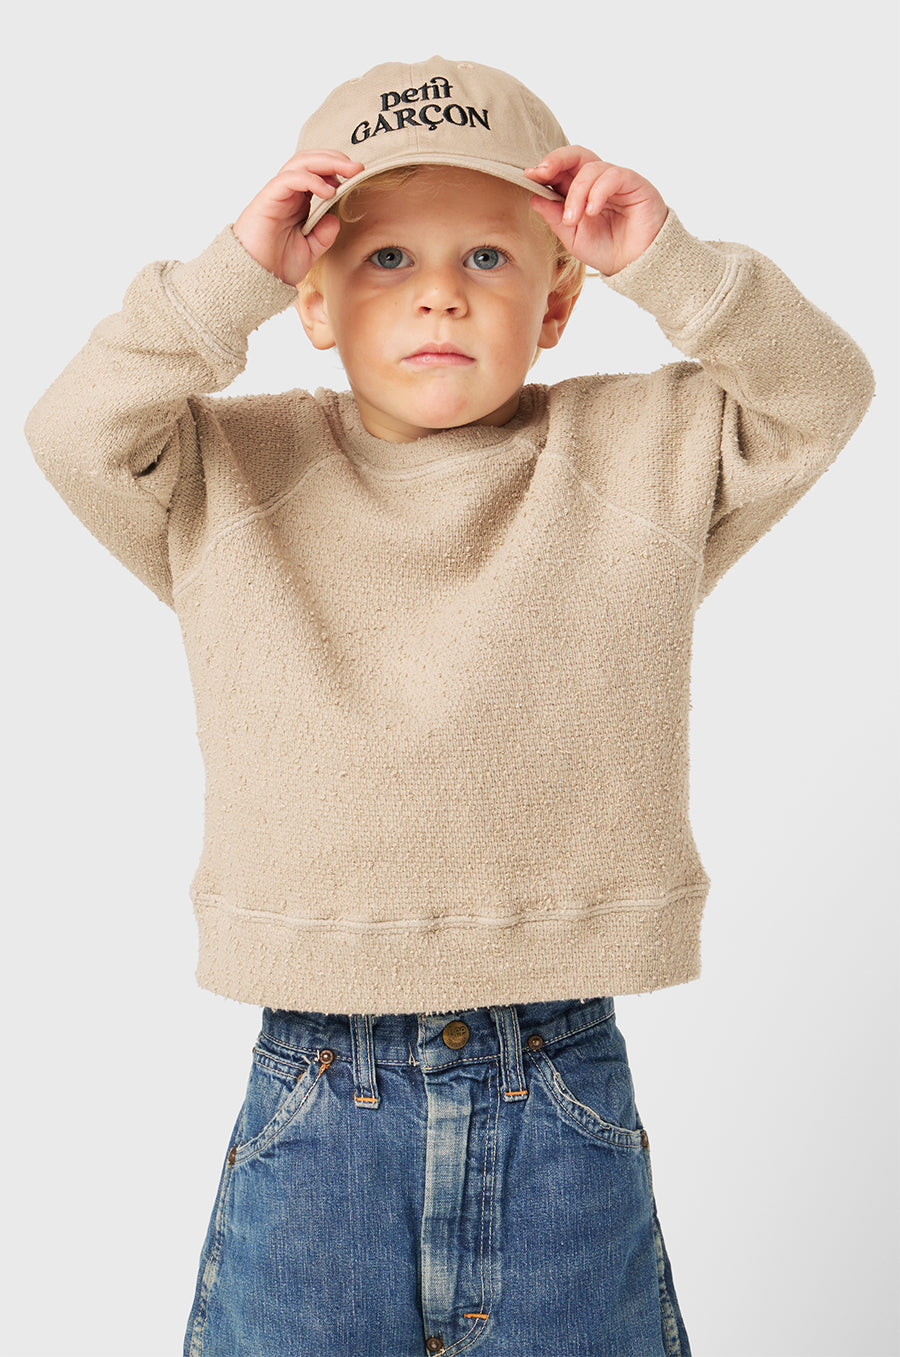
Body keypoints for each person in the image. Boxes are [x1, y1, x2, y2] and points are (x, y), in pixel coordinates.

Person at [24, 55, 874, 1357]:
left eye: (487, 256)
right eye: (385, 258)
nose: (438, 291)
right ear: (310, 298)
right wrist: (227, 278)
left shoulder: (636, 455)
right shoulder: (230, 473)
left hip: (558, 1073)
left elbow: (821, 392)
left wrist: (672, 265)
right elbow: (74, 431)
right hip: (320, 1082)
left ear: (557, 301)